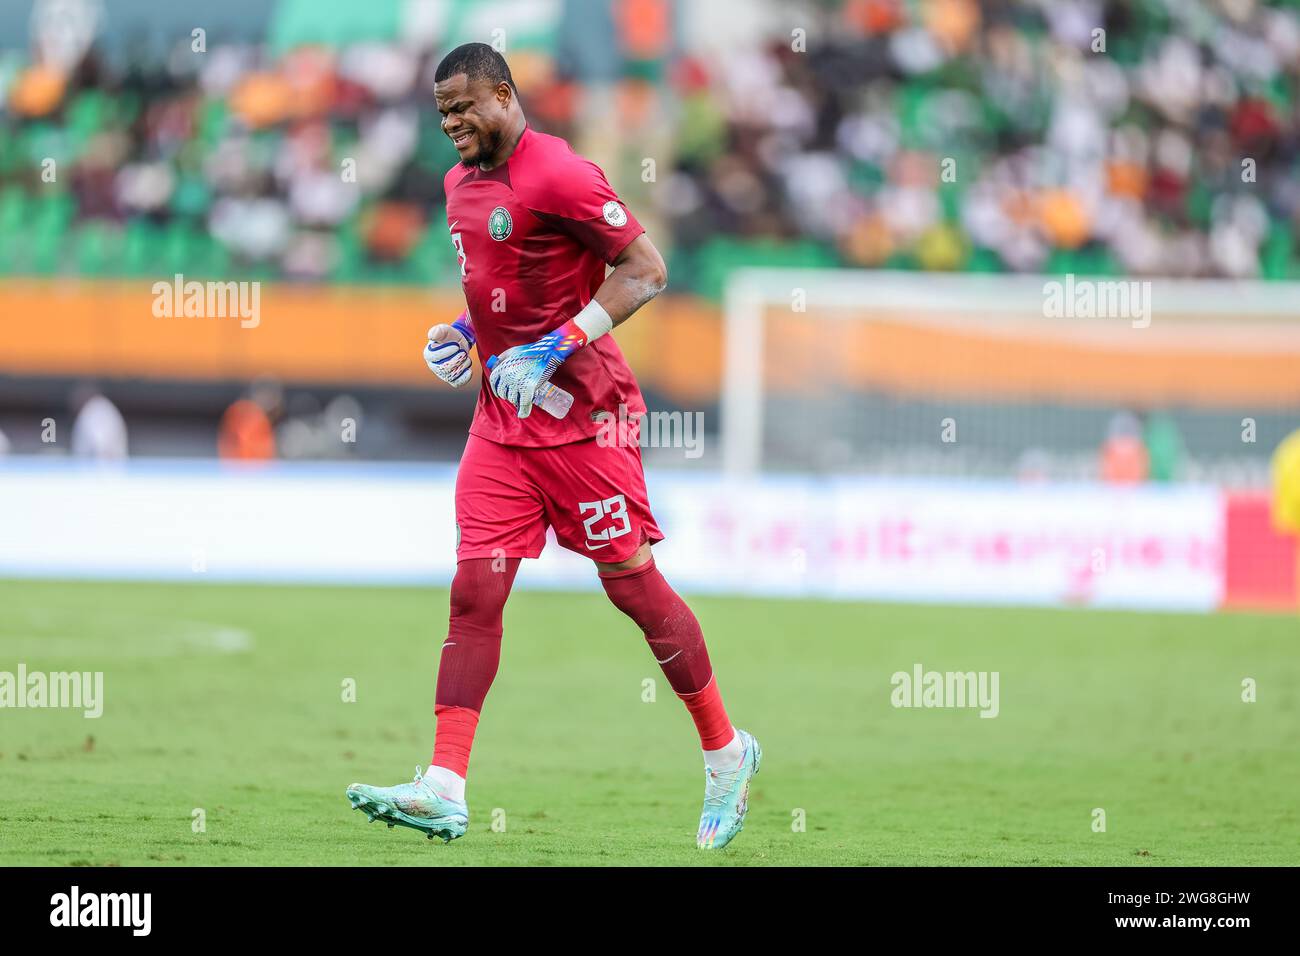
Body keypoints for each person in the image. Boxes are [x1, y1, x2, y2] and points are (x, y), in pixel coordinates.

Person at [346, 43, 759, 850]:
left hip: (588, 416)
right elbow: (505, 284)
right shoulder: (454, 188)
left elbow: (645, 269)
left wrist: (557, 344)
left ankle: (725, 751)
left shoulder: (563, 174)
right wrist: (463, 333)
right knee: (475, 591)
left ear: (504, 95)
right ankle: (444, 785)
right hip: (503, 421)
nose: (452, 124)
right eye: (441, 113)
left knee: (632, 587)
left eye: (464, 107)